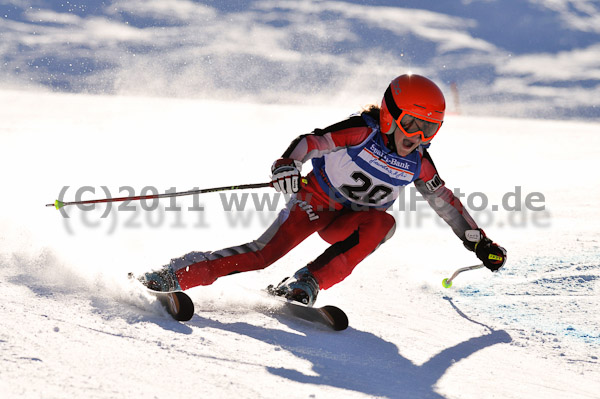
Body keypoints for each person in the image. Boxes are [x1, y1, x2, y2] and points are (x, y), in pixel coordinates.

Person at [140, 74, 507, 306]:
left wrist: (478, 242)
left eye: (429, 129)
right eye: (411, 123)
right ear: (390, 114)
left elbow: (446, 204)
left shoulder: (419, 163)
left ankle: (307, 282)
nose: (418, 137)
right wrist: (288, 164)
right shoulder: (362, 132)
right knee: (262, 255)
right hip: (313, 202)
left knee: (383, 224)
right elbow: (312, 142)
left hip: (347, 222)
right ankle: (175, 274)